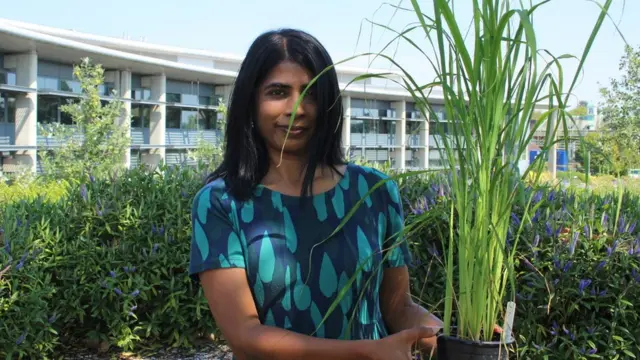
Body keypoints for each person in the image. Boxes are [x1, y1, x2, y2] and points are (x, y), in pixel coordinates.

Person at [188, 28, 443, 360]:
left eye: (310, 92)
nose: (298, 108)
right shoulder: (222, 203)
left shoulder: (375, 191)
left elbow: (398, 306)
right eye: (278, 92)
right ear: (250, 102)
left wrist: (453, 337)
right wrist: (367, 352)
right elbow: (245, 335)